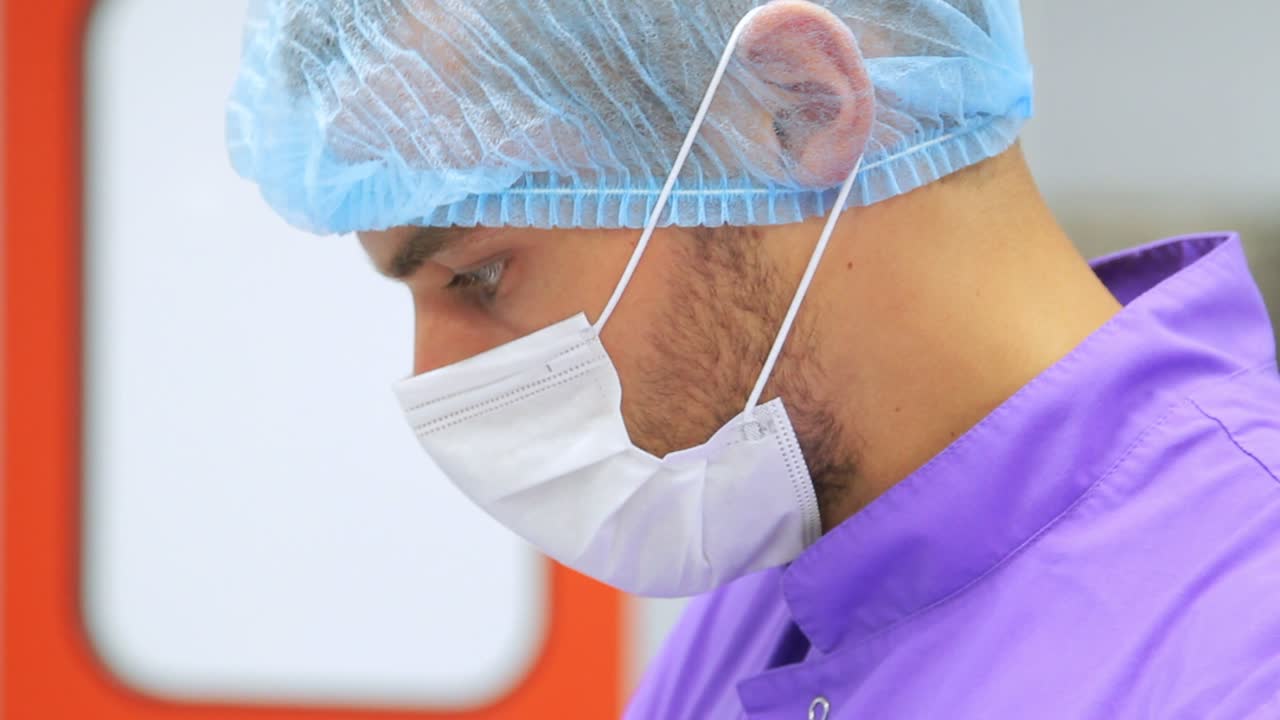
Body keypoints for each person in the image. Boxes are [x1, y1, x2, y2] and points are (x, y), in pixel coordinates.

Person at [226, 0, 1280, 716]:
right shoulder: (777, 588)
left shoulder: (1235, 638)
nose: (436, 376)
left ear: (795, 103)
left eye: (480, 274)